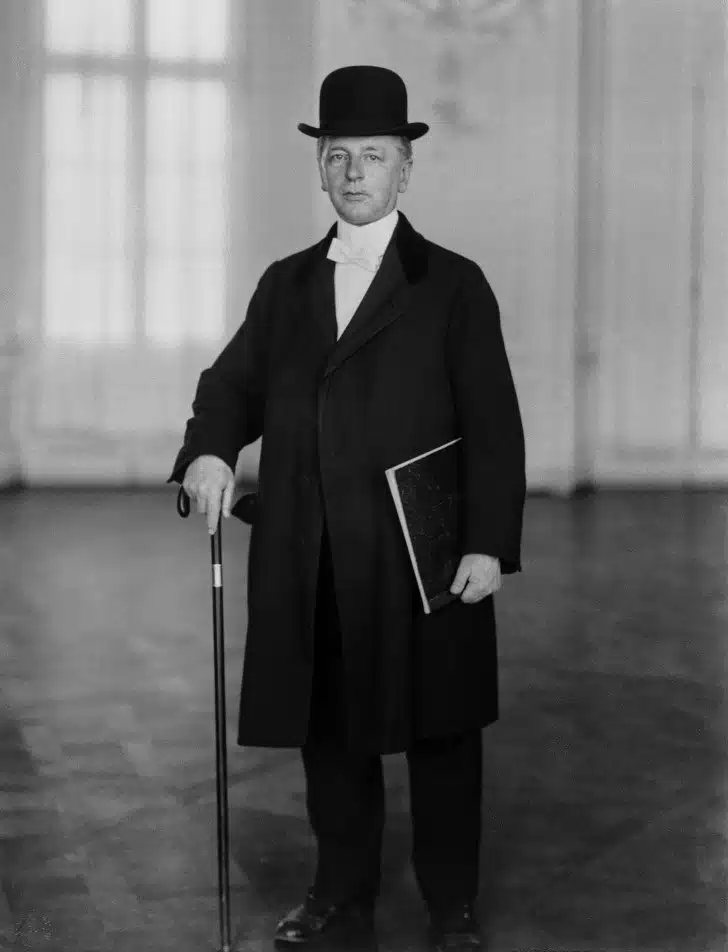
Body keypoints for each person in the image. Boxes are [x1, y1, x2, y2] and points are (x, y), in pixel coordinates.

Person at [170, 65, 526, 952]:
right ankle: (341, 892)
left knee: (441, 735)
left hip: (422, 553)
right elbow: (231, 384)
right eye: (339, 157)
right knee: (330, 738)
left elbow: (495, 428)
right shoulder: (286, 285)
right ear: (320, 171)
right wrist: (211, 448)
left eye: (374, 155)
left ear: (406, 168)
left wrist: (488, 543)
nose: (355, 173)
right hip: (312, 549)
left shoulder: (452, 285)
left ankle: (453, 906)